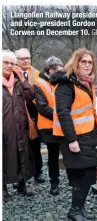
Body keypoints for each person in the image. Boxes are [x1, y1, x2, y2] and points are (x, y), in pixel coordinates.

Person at [51, 48, 97, 221]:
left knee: (87, 176)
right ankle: (74, 211)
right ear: (76, 62)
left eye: (90, 62)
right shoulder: (66, 85)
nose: (87, 65)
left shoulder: (85, 83)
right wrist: (72, 140)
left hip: (87, 137)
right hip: (75, 139)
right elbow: (63, 113)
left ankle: (80, 209)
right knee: (81, 177)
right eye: (83, 61)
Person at [2, 50, 36, 200]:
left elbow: (30, 96)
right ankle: (2, 189)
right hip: (4, 127)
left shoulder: (18, 81)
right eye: (6, 62)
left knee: (22, 155)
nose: (9, 66)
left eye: (12, 63)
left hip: (20, 126)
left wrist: (22, 78)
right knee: (4, 157)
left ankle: (22, 184)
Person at [34, 56, 64, 195]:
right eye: (59, 71)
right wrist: (62, 116)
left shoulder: (62, 81)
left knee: (68, 152)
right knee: (53, 155)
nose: (62, 73)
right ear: (50, 70)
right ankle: (54, 183)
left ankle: (71, 179)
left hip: (64, 124)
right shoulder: (39, 83)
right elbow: (42, 107)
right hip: (49, 126)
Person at [15, 48, 45, 183]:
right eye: (23, 59)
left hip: (34, 114)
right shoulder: (11, 74)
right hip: (17, 114)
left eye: (28, 58)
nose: (26, 60)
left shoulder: (37, 74)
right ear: (17, 60)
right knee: (18, 147)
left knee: (35, 145)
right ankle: (20, 177)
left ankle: (38, 172)